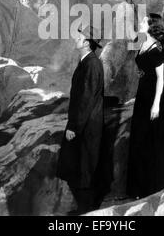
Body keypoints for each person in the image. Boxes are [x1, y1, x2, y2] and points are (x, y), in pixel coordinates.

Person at [127, 14, 164, 199]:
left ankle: (153, 187)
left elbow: (160, 78)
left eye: (144, 21)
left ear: (152, 27)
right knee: (139, 139)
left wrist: (156, 104)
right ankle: (139, 188)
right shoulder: (143, 44)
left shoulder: (156, 50)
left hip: (153, 98)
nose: (141, 23)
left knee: (152, 140)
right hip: (142, 95)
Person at [57, 26, 105, 215]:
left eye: (80, 37)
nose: (76, 39)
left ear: (87, 43)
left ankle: (88, 210)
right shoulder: (87, 62)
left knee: (85, 167)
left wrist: (74, 127)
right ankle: (85, 208)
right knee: (80, 166)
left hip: (86, 126)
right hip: (84, 124)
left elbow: (86, 99)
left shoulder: (92, 64)